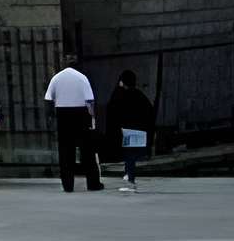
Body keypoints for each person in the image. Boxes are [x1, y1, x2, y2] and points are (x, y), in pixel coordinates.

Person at [43, 59, 103, 192]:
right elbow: (90, 101)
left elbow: (48, 99)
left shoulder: (56, 78)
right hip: (81, 114)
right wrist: (92, 120)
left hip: (63, 114)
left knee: (65, 151)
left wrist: (51, 117)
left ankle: (68, 185)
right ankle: (93, 183)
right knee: (87, 151)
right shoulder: (82, 78)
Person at [106, 69, 158, 192]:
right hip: (138, 132)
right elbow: (149, 112)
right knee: (131, 156)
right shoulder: (139, 95)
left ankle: (129, 178)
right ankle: (130, 177)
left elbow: (112, 110)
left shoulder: (119, 95)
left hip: (126, 132)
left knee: (128, 155)